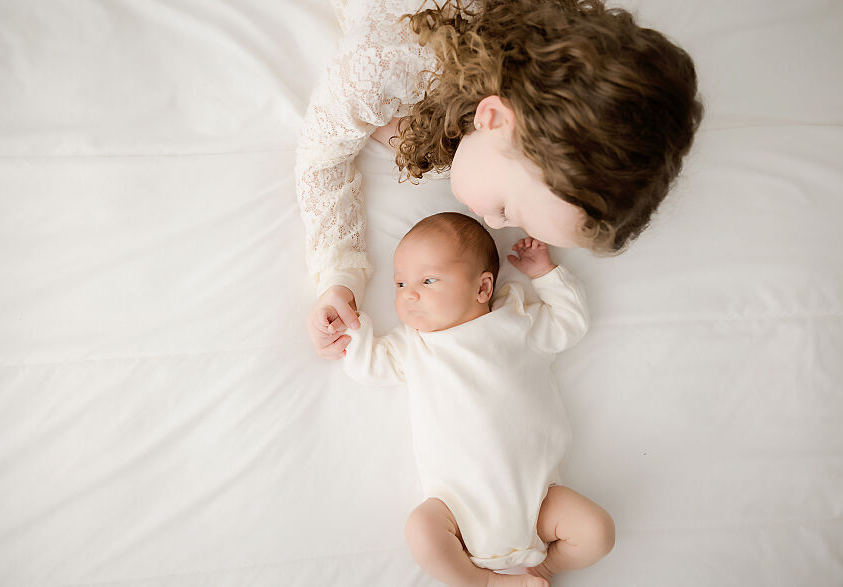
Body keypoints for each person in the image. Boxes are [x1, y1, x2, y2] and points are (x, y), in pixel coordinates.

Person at [296, 0, 703, 358]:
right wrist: (339, 277)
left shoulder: (510, 107)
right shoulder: (379, 71)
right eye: (508, 209)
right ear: (492, 119)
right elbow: (321, 157)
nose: (492, 224)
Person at [341, 212, 615, 587]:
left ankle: (546, 568)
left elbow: (570, 322)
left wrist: (545, 273)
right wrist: (354, 328)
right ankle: (484, 581)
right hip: (455, 507)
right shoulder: (414, 345)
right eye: (400, 282)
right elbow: (370, 367)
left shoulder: (517, 321)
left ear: (483, 288)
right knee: (421, 530)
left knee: (598, 532)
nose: (409, 294)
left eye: (428, 280)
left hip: (537, 500)